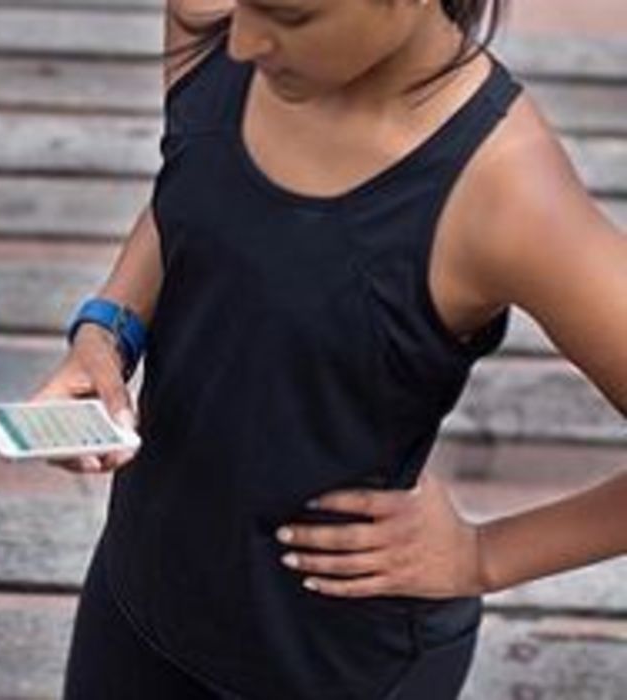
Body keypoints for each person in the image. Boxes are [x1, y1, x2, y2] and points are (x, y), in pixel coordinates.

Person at [30, 0, 627, 697]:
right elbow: (196, 182)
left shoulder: (506, 192)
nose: (244, 39)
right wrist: (108, 329)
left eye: (294, 16)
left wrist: (484, 555)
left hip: (330, 665)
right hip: (135, 606)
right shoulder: (215, 17)